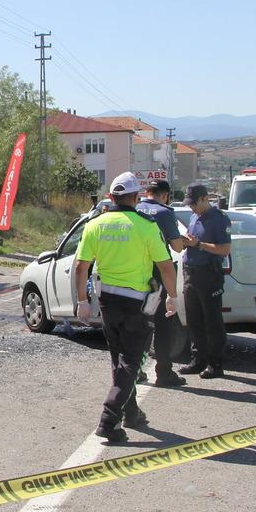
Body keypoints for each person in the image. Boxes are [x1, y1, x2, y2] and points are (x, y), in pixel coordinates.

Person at [75, 172, 180, 443]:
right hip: (137, 303)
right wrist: (172, 296)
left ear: (111, 197)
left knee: (119, 359)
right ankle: (109, 419)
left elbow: (81, 266)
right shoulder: (146, 226)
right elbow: (165, 266)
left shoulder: (95, 224)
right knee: (132, 361)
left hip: (107, 301)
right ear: (136, 198)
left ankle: (131, 412)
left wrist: (82, 301)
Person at [135, 179, 186, 387]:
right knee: (163, 323)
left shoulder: (135, 209)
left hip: (137, 272)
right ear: (164, 195)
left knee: (139, 323)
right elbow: (177, 247)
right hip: (158, 272)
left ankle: (135, 369)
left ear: (147, 192)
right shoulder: (165, 212)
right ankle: (163, 372)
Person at [179, 182, 232, 380]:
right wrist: (187, 242)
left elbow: (225, 249)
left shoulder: (218, 218)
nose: (191, 207)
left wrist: (199, 244)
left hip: (209, 274)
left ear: (204, 199)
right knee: (194, 320)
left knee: (212, 321)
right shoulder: (195, 217)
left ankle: (215, 363)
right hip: (190, 272)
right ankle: (198, 359)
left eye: (193, 203)